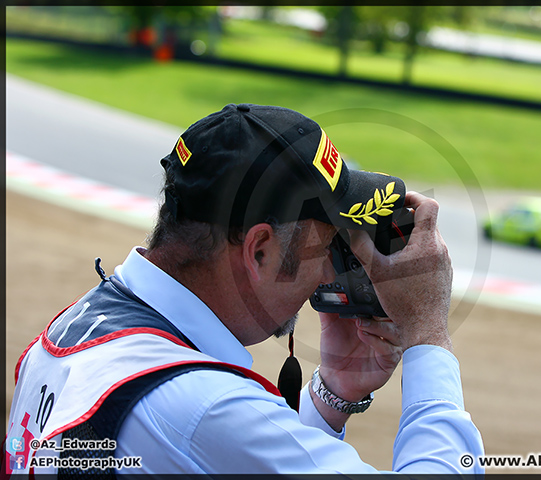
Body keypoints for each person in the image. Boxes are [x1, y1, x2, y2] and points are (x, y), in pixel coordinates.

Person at [4, 104, 484, 476]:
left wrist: (332, 394)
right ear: (259, 250)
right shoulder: (204, 405)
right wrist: (427, 334)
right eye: (327, 246)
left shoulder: (80, 327)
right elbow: (208, 433)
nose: (327, 276)